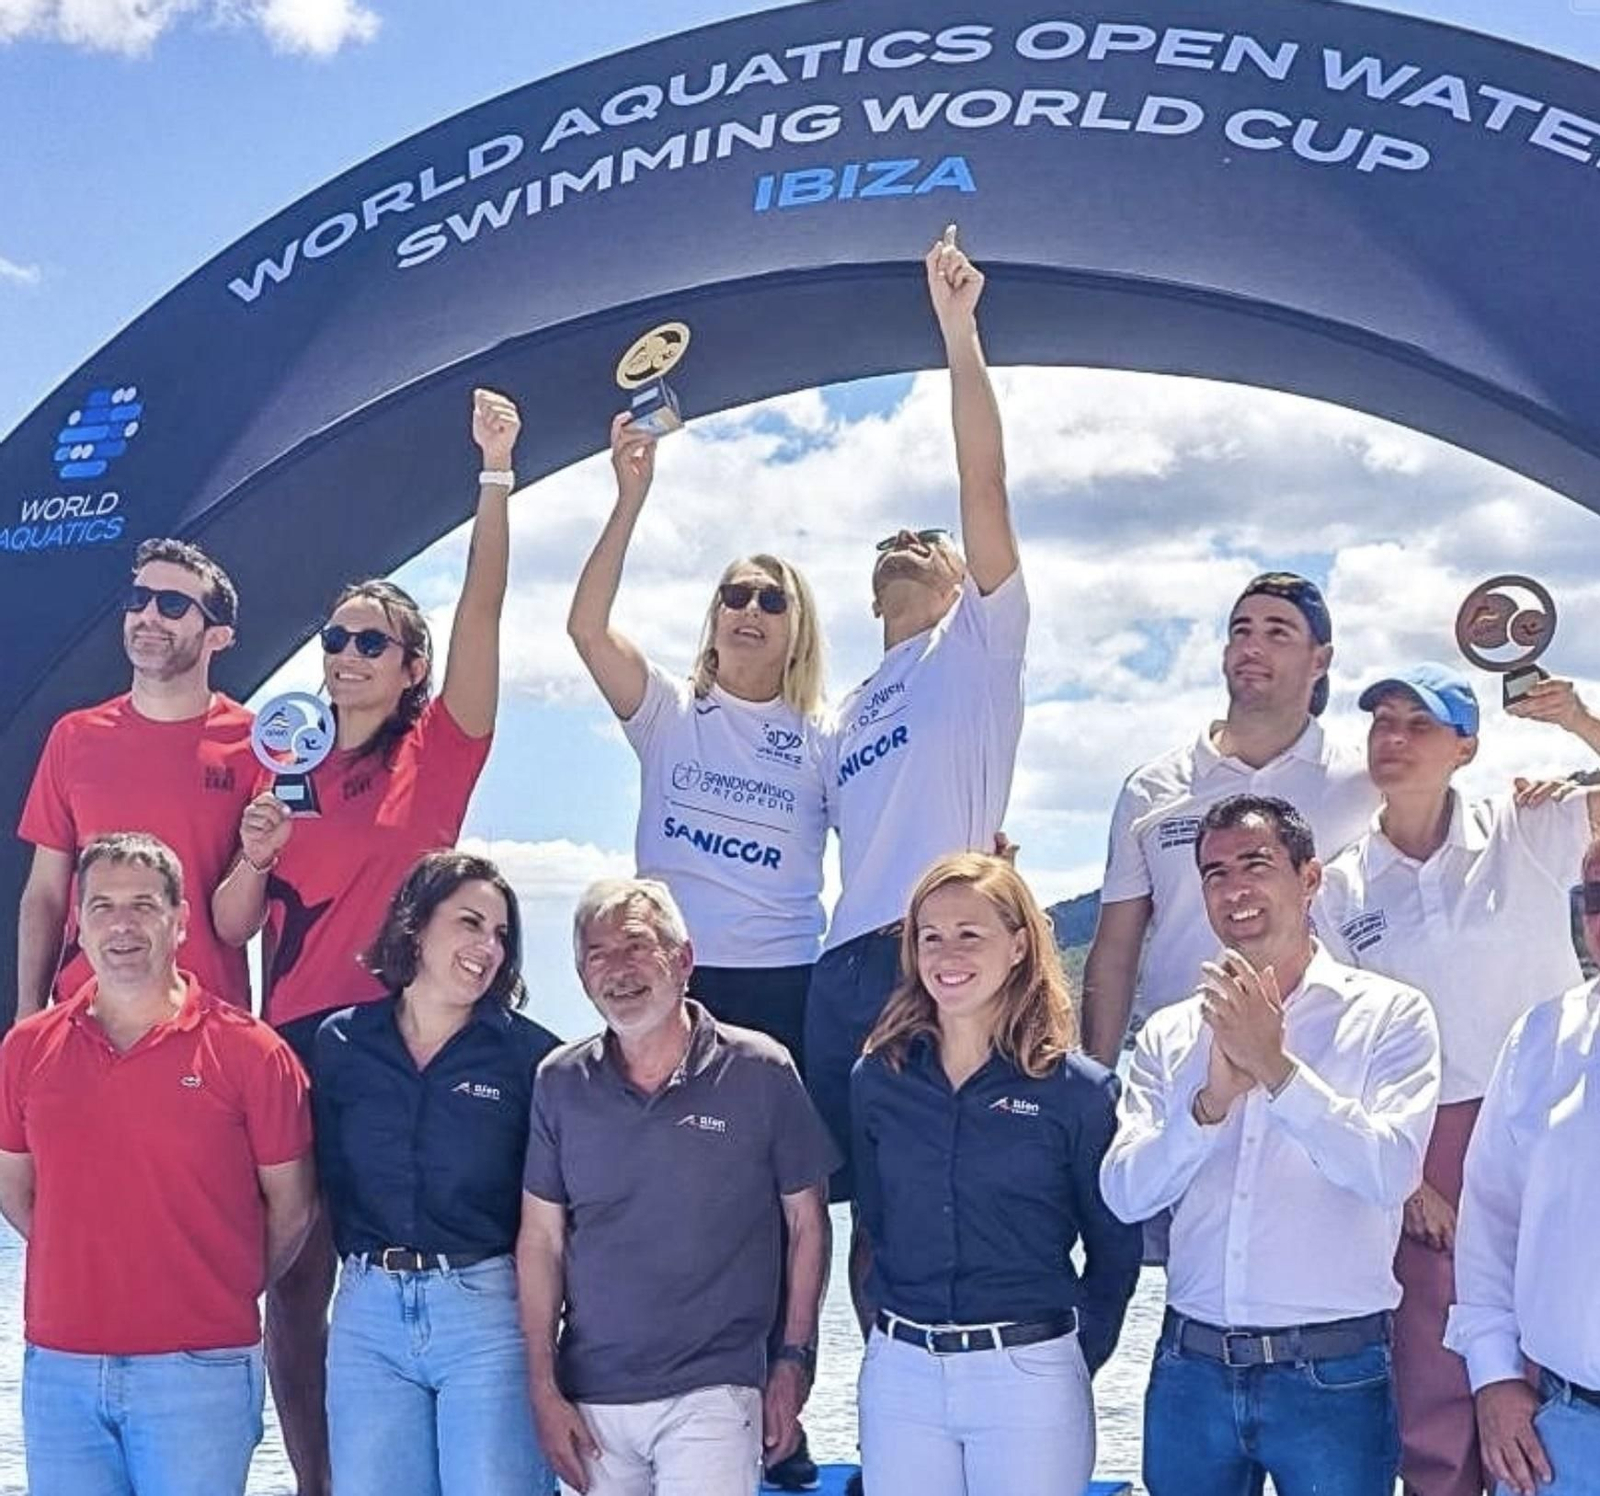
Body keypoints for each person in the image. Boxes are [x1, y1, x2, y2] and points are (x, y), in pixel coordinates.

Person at [211, 387, 522, 1496]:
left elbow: (484, 612)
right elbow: (231, 924)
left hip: (408, 1051)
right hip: (293, 1045)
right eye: (334, 636)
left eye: (368, 639)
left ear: (409, 664)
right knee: (293, 1284)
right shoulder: (273, 762)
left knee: (426, 1272)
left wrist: (494, 476)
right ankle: (318, 1482)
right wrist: (251, 849)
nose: (342, 651)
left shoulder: (434, 757)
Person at [1100, 793, 1441, 1496]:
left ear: (1310, 878)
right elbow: (1124, 1193)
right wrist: (1210, 1106)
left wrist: (1279, 1071)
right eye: (1215, 873)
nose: (1234, 888)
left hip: (1334, 1373)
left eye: (1255, 864)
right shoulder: (1169, 1033)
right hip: (1190, 1365)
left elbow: (1389, 1173)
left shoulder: (1391, 1016)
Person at [1315, 664, 1600, 1496]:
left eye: (1419, 725)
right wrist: (1405, 1181)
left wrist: (1582, 723)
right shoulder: (1339, 885)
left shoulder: (1528, 819)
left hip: (1554, 1113)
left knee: (1557, 1338)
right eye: (1381, 723)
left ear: (1466, 746)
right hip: (1419, 1136)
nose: (1393, 740)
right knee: (1435, 1381)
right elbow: (1341, 1038)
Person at [805, 226, 1028, 1205]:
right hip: (840, 968)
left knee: (947, 1190)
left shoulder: (976, 644)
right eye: (889, 539)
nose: (908, 539)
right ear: (868, 595)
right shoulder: (841, 712)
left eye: (926, 538)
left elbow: (983, 482)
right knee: (841, 1202)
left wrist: (957, 329)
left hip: (938, 948)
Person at [0, 832, 314, 1496]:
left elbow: (293, 1207)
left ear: (181, 922)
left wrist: (222, 1284)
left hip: (200, 1368)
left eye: (143, 905)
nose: (122, 925)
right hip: (61, 1370)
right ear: (77, 925)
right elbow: (17, 1186)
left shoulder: (252, 1053)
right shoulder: (25, 1051)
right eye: (103, 906)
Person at [520, 877, 837, 1496]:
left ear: (684, 959)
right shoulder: (558, 1083)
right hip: (594, 1398)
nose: (618, 969)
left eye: (636, 945)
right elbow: (541, 1241)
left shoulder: (760, 1069)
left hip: (716, 1388)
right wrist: (542, 1388)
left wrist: (795, 1359)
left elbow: (808, 1223)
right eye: (597, 954)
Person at [851, 852, 1142, 1496]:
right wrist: (885, 1350)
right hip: (902, 1378)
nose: (947, 954)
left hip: (1030, 1378)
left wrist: (1063, 1359)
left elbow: (1115, 1252)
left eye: (969, 934)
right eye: (931, 937)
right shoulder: (878, 1081)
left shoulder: (1078, 1093)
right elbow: (873, 1225)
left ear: (1017, 946)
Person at [566, 413, 829, 1073]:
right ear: (713, 619)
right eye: (735, 595)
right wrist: (630, 499)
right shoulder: (667, 710)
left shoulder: (826, 733)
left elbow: (889, 823)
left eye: (774, 601)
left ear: (799, 629)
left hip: (786, 980)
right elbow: (587, 630)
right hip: (674, 976)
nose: (750, 610)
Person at [313, 850, 560, 1495]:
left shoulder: (533, 1060)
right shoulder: (341, 1044)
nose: (488, 946)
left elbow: (560, 1215)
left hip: (485, 1314)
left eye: (501, 934)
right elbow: (321, 1183)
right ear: (416, 926)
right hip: (367, 1312)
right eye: (470, 923)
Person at [1082, 572, 1378, 1065]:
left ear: (1320, 661)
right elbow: (1115, 951)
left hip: (1322, 1061)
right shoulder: (1153, 789)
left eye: (1277, 632)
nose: (1252, 646)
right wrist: (1094, 1079)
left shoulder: (1365, 784)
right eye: (1241, 630)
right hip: (1179, 1063)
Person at [17, 537, 257, 1017]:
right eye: (137, 600)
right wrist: (27, 1012)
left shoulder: (257, 746)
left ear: (218, 636)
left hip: (205, 1023)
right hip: (84, 1018)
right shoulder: (74, 735)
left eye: (172, 605)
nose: (148, 616)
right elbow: (45, 893)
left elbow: (248, 917)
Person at [1446, 837, 1600, 1496]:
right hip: (1562, 1438)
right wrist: (1495, 1375)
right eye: (1593, 895)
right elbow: (1490, 1221)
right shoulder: (1542, 1039)